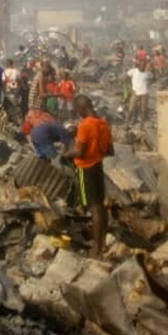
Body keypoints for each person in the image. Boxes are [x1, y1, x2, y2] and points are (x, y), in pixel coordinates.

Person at [61, 96, 112, 257]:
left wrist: (66, 155)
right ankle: (103, 244)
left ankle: (96, 248)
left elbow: (79, 152)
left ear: (82, 108)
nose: (78, 114)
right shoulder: (103, 124)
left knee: (94, 208)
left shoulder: (85, 125)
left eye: (78, 111)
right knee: (100, 206)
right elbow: (109, 150)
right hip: (97, 166)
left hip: (85, 169)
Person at [126, 60, 154, 125]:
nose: (142, 67)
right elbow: (126, 78)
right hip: (135, 92)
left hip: (144, 93)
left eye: (144, 65)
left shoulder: (147, 73)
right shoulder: (133, 71)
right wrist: (130, 87)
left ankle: (142, 123)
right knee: (131, 108)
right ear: (138, 66)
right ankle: (127, 122)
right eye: (141, 65)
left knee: (143, 109)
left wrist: (149, 84)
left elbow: (152, 78)